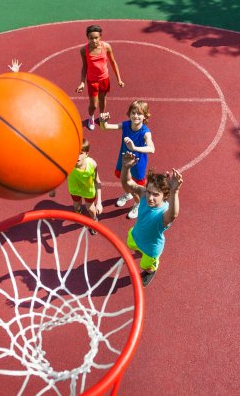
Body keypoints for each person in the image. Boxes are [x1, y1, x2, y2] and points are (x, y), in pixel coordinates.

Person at [120, 151, 183, 287]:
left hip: (151, 249)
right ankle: (139, 253)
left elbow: (173, 215)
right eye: (149, 192)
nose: (150, 197)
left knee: (146, 266)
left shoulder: (164, 214)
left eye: (156, 194)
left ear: (165, 196)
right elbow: (127, 183)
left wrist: (175, 191)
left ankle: (150, 272)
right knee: (132, 246)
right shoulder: (143, 195)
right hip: (135, 235)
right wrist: (126, 167)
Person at [100, 100, 155, 219]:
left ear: (145, 116)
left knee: (136, 187)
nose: (136, 116)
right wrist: (103, 121)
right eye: (133, 113)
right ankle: (127, 194)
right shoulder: (126, 125)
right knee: (124, 180)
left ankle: (137, 203)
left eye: (139, 114)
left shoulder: (145, 132)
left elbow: (152, 148)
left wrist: (134, 147)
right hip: (124, 160)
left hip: (137, 165)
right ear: (129, 114)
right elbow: (106, 127)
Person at [76, 24, 124, 131]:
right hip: (92, 81)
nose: (94, 40)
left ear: (100, 37)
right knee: (93, 105)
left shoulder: (106, 47)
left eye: (96, 38)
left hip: (104, 79)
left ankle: (102, 116)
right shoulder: (84, 50)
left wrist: (119, 79)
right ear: (87, 38)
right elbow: (84, 66)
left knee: (103, 100)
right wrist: (82, 82)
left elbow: (113, 62)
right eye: (91, 38)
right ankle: (91, 117)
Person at [50, 138, 103, 235]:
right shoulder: (68, 164)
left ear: (86, 154)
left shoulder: (92, 164)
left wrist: (99, 202)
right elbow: (59, 176)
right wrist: (53, 188)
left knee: (90, 208)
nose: (77, 156)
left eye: (80, 153)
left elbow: (97, 181)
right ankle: (79, 214)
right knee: (76, 205)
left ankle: (94, 220)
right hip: (74, 190)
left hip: (88, 191)